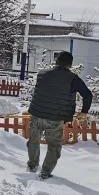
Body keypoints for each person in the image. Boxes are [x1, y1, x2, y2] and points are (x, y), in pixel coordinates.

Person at [27, 51, 93, 179]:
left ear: (56, 62)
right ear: (69, 64)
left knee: (33, 141)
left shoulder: (42, 74)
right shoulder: (72, 78)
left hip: (36, 114)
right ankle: (45, 173)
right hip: (55, 119)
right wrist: (84, 112)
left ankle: (32, 166)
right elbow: (87, 95)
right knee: (54, 146)